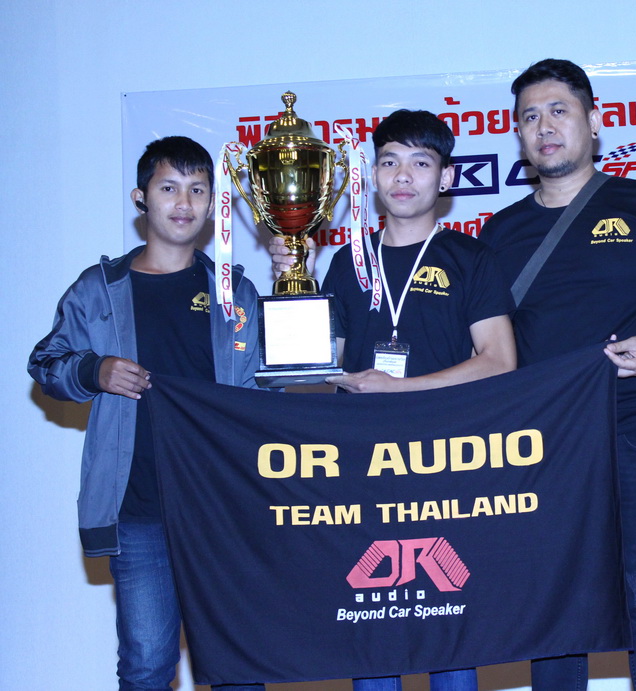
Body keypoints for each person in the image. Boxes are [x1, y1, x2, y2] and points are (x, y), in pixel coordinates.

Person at [477, 58, 636, 691]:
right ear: (519, 135)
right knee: (556, 612)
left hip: (634, 427)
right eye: (530, 117)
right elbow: (485, 348)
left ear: (595, 121)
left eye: (559, 111)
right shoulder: (498, 233)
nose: (545, 126)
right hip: (540, 443)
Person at [273, 109, 516, 690]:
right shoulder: (345, 262)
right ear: (372, 175)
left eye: (420, 162)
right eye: (389, 161)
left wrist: (399, 389)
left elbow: (499, 361)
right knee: (372, 628)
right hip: (364, 473)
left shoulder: (470, 258)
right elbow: (312, 368)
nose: (403, 175)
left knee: (449, 626)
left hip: (446, 467)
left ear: (446, 178)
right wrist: (293, 288)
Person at [28, 137, 265, 690]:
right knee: (146, 665)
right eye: (169, 188)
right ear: (141, 198)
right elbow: (45, 363)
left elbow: (262, 394)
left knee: (241, 666)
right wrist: (95, 370)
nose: (184, 202)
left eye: (198, 190)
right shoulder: (100, 288)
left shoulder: (235, 293)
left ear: (213, 204)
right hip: (140, 512)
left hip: (223, 508)